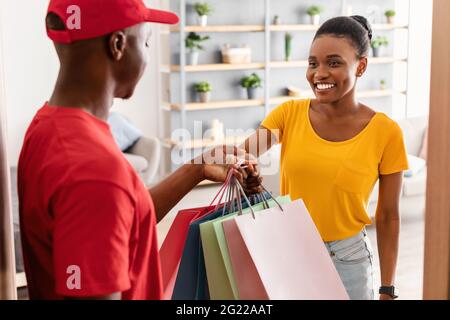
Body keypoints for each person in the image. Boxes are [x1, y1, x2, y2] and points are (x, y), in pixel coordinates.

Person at [18, 0, 261, 300]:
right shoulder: (95, 169)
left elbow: (120, 218)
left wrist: (197, 168)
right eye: (145, 41)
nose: (146, 55)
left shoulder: (47, 126)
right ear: (118, 45)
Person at [242, 16, 408, 300]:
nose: (319, 73)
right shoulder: (288, 114)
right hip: (292, 250)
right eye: (313, 63)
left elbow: (389, 216)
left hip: (348, 258)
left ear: (361, 66)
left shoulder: (386, 132)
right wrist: (245, 169)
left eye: (334, 63)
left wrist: (388, 289)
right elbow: (244, 154)